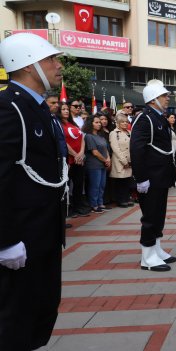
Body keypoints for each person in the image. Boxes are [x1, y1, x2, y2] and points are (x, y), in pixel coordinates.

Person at [0, 33, 67, 350]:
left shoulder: (38, 108)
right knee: (15, 320)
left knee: (42, 310)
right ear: (27, 65)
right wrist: (6, 240)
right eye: (51, 59)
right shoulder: (8, 108)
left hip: (44, 234)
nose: (58, 66)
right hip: (22, 238)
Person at [130, 80, 176, 272]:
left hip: (161, 176)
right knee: (150, 216)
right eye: (164, 96)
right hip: (150, 177)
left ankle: (156, 248)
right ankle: (147, 257)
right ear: (153, 99)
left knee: (159, 214)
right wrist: (141, 178)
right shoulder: (145, 119)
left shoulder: (159, 118)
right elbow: (137, 149)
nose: (167, 99)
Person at [83, 115, 110, 213]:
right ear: (91, 123)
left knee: (102, 185)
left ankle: (100, 203)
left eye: (99, 122)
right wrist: (105, 160)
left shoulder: (100, 136)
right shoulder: (89, 136)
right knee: (95, 185)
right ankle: (94, 205)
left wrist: (108, 158)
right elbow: (95, 152)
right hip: (93, 165)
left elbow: (106, 149)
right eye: (96, 122)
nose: (99, 124)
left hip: (102, 164)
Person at [109, 115, 134, 207]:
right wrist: (124, 161)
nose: (125, 123)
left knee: (127, 181)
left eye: (126, 122)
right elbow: (115, 148)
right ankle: (121, 200)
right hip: (120, 160)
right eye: (122, 122)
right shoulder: (114, 133)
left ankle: (126, 198)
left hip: (130, 160)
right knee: (120, 181)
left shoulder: (130, 132)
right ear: (118, 123)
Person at [167, 114, 176, 187]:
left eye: (174, 118)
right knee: (170, 166)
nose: (173, 119)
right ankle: (169, 181)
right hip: (169, 149)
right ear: (167, 119)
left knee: (175, 165)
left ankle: (173, 181)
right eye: (171, 117)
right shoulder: (166, 128)